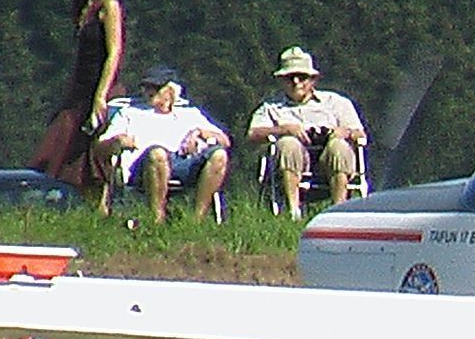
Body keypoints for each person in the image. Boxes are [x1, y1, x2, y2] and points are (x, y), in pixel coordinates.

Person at [31, 0, 126, 194]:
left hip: (101, 88)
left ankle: (102, 205)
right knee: (60, 143)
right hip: (80, 90)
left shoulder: (109, 6)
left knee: (93, 151)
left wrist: (101, 96)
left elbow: (114, 53)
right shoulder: (84, 9)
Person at [95, 66, 230, 221]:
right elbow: (99, 147)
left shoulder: (189, 114)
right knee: (157, 153)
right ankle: (157, 218)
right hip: (144, 165)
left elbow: (225, 141)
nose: (149, 91)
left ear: (171, 91)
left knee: (219, 155)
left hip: (183, 163)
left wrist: (200, 132)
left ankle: (196, 219)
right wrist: (117, 141)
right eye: (146, 87)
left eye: (156, 88)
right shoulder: (129, 113)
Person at [245, 47, 368, 217]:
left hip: (329, 160)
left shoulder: (336, 103)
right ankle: (293, 211)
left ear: (313, 80)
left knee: (339, 147)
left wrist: (343, 133)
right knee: (288, 143)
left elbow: (360, 135)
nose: (296, 82)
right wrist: (284, 130)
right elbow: (252, 134)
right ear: (281, 80)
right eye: (289, 78)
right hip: (293, 162)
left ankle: (339, 212)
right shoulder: (271, 107)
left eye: (302, 77)